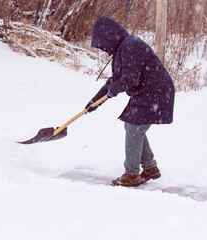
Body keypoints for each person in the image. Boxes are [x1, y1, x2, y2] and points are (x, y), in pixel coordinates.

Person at [86, 17, 175, 187]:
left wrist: (114, 91)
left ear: (109, 36)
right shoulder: (122, 50)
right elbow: (115, 80)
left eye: (103, 44)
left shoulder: (130, 45)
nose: (104, 49)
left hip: (156, 91)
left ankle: (132, 174)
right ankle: (150, 168)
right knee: (132, 127)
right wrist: (95, 101)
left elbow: (130, 79)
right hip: (148, 92)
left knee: (134, 128)